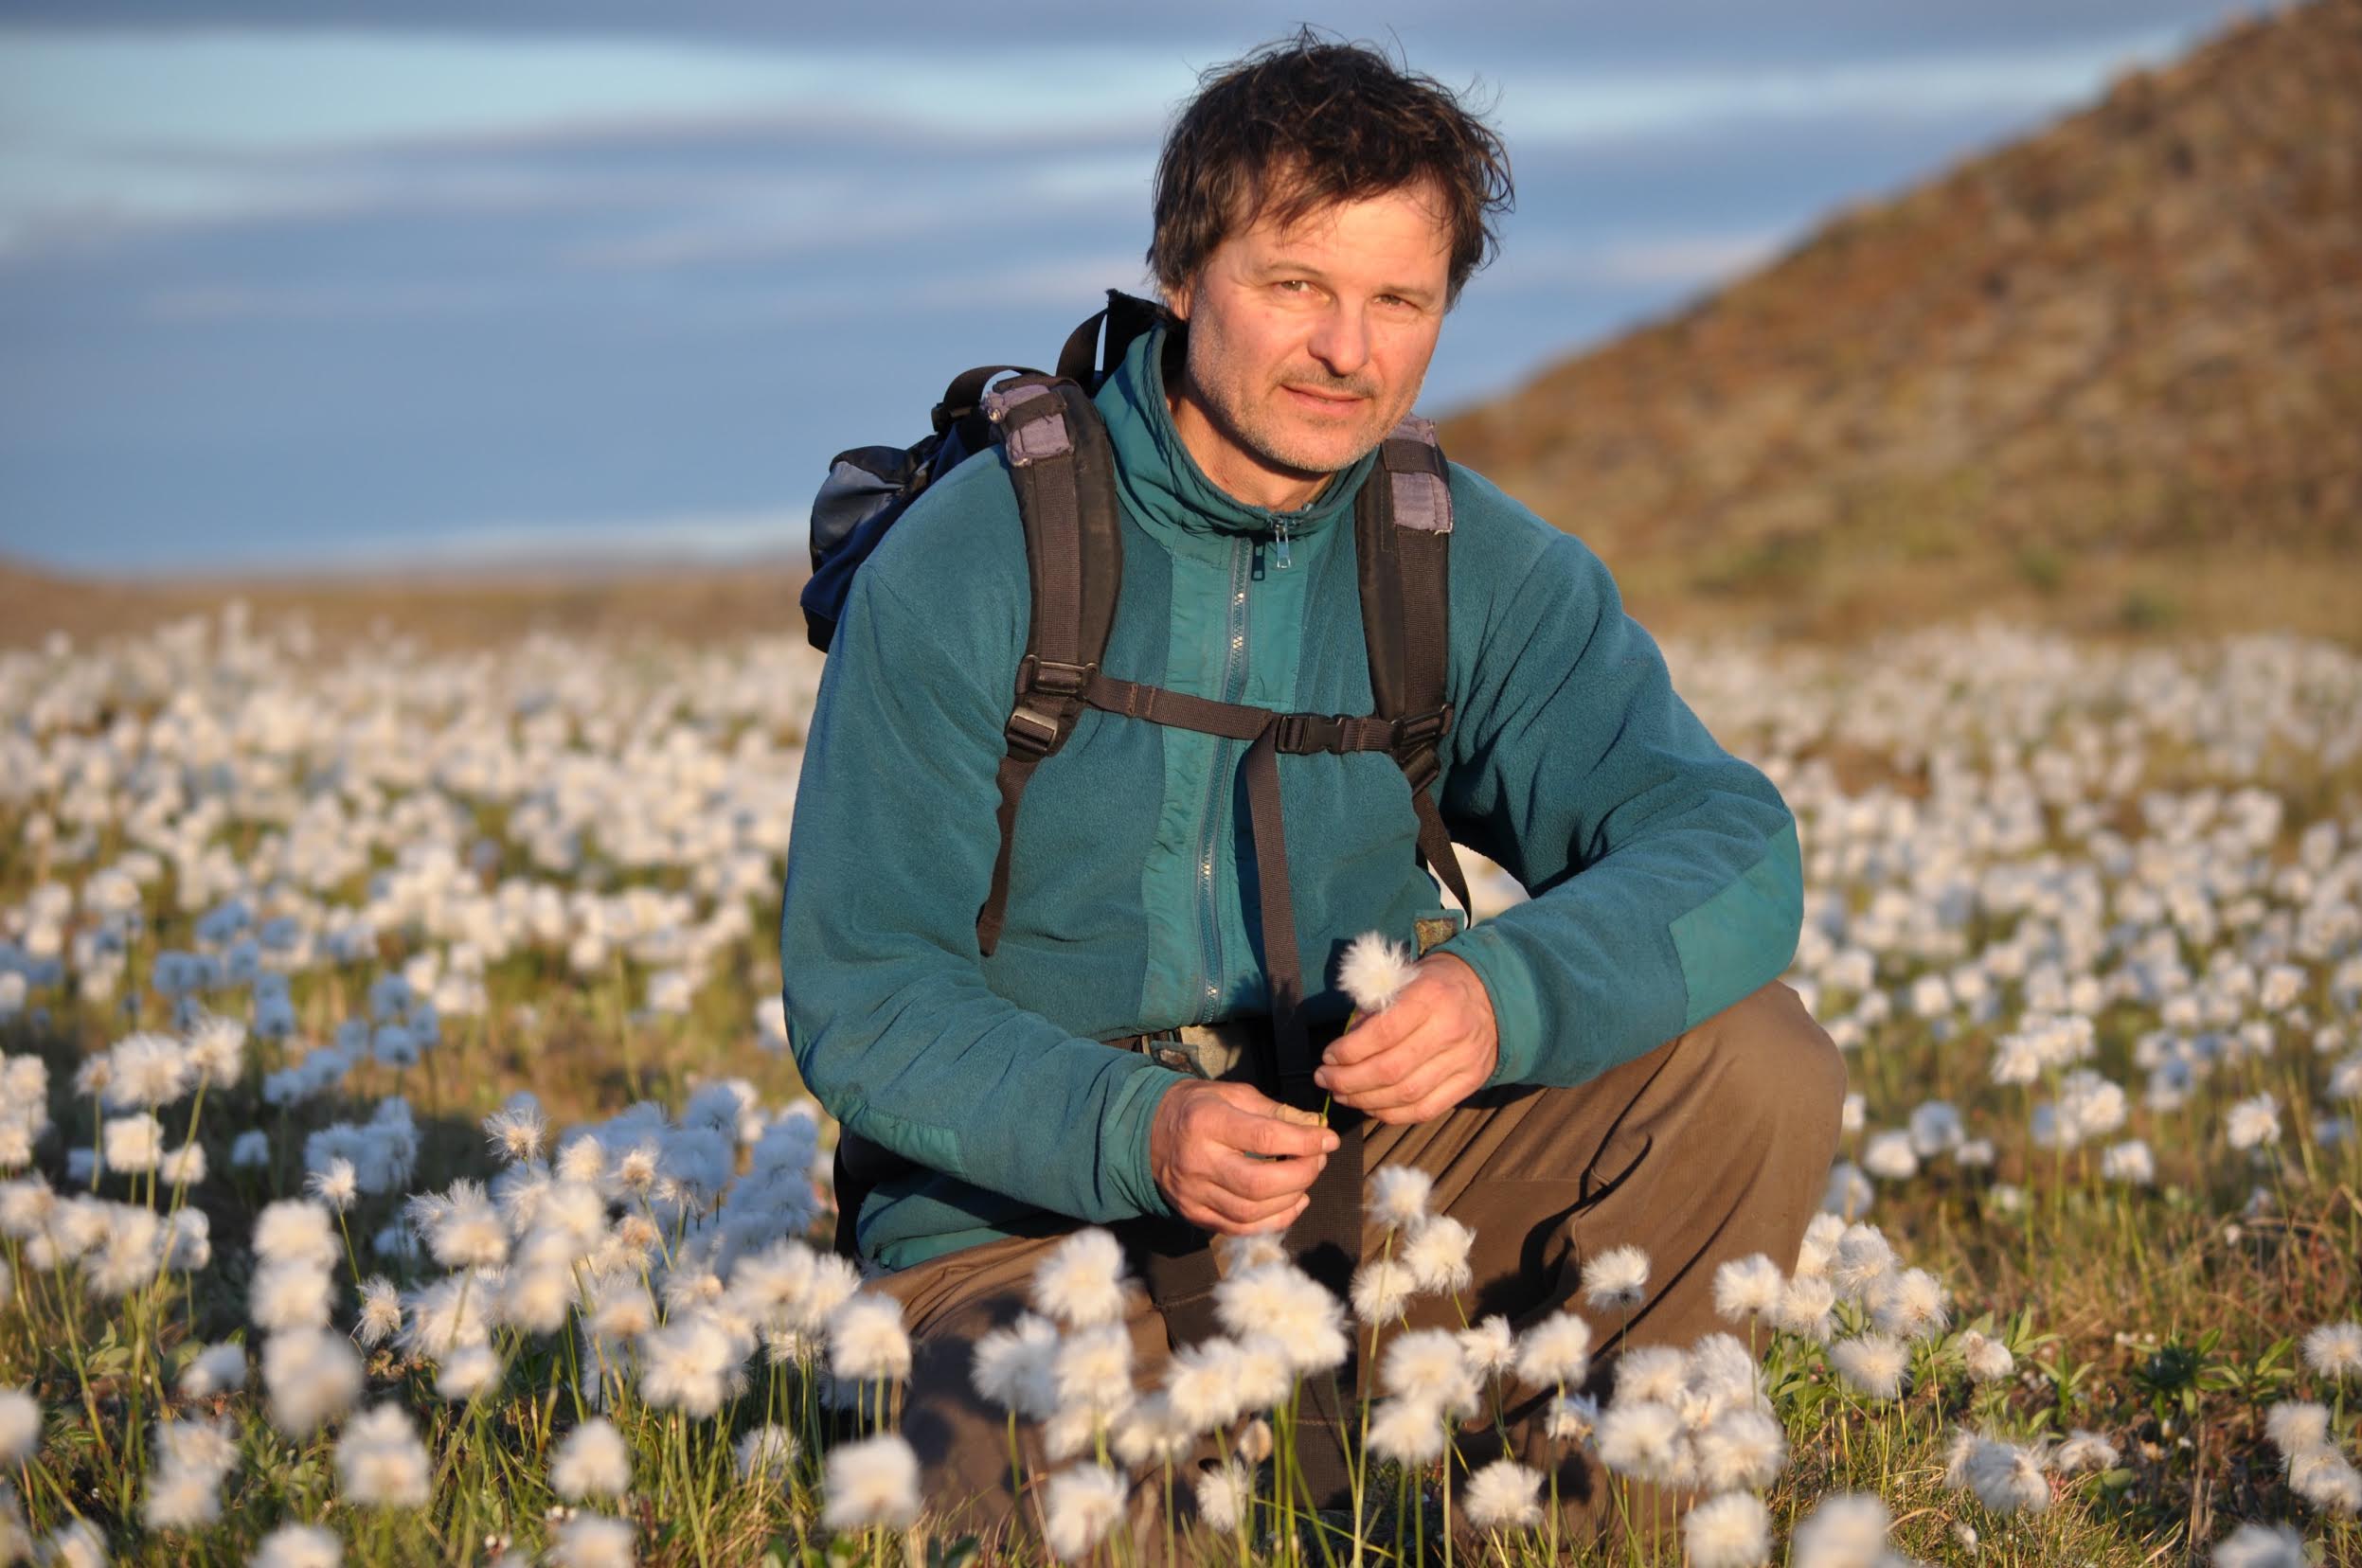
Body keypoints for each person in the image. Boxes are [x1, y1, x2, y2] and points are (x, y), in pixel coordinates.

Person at [779, 28, 1844, 1553]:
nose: (1347, 351)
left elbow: (1729, 846)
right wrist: (1142, 1128)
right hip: (1021, 1238)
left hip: (1376, 1192)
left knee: (1751, 1064)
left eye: (1398, 301)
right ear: (1178, 269)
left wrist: (1503, 999)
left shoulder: (1462, 561)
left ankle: (1585, 1531)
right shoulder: (972, 558)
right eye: (1294, 286)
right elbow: (866, 992)